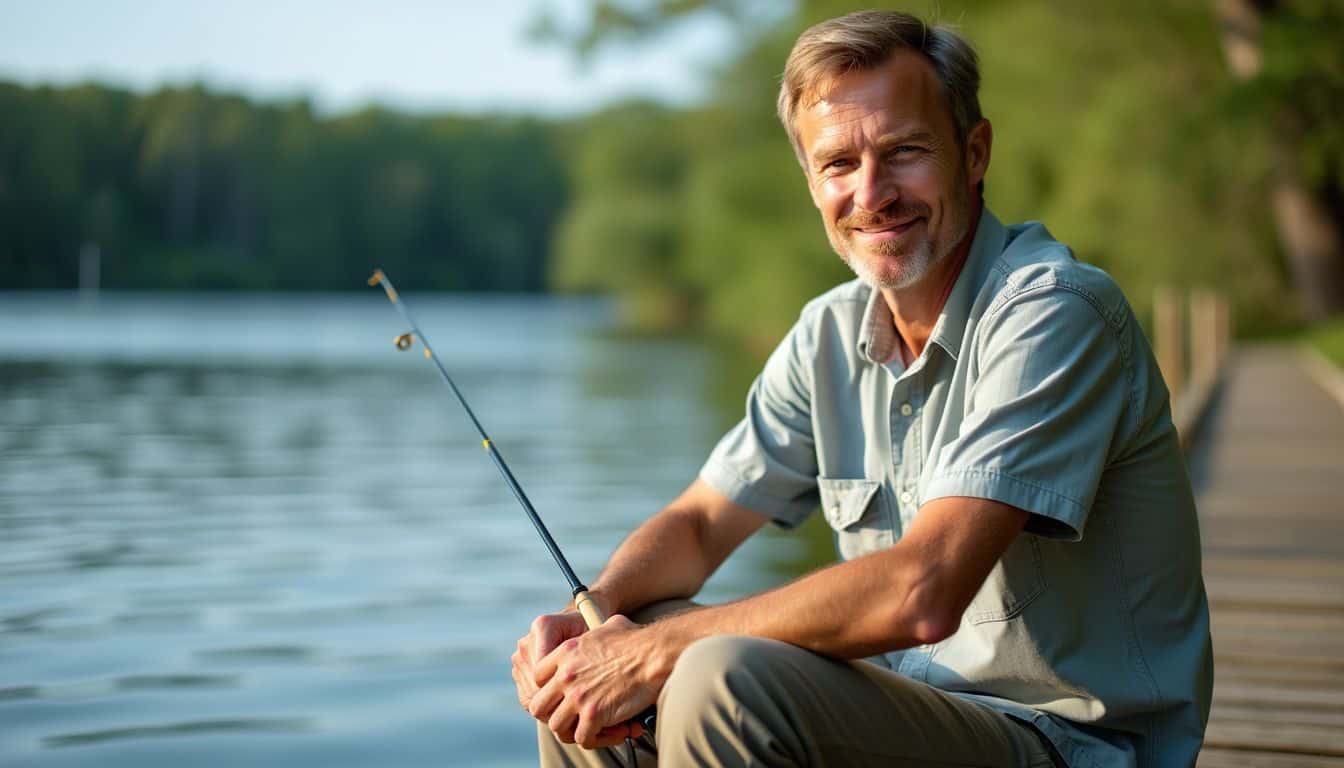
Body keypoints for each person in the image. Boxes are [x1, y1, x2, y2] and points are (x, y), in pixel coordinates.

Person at [511, 9, 1213, 767]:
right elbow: (701, 525)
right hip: (906, 719)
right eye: (839, 164)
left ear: (973, 154)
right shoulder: (828, 334)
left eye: (905, 151)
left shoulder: (1055, 312)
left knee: (718, 675)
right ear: (812, 182)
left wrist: (661, 649)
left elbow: (925, 589)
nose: (872, 194)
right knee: (583, 689)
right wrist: (597, 616)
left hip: (1068, 743)